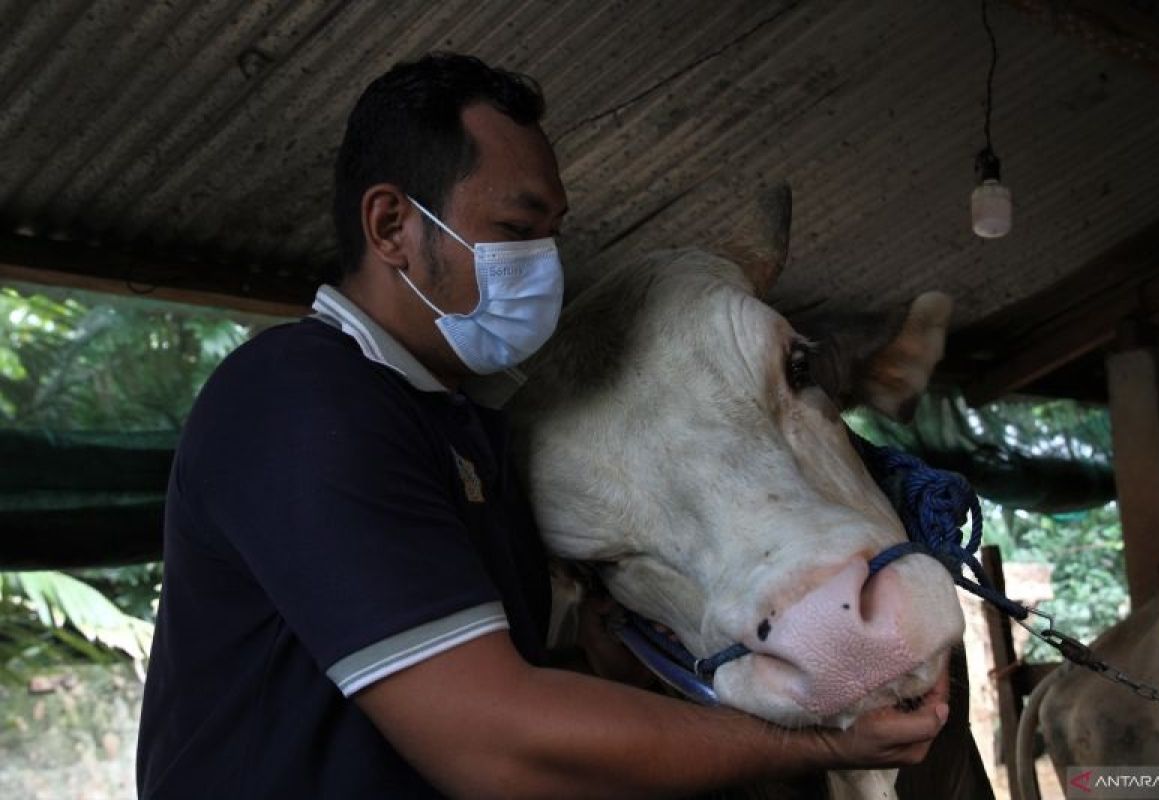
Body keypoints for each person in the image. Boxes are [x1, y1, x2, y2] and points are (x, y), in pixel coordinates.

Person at [136, 52, 951, 799]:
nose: (546, 266)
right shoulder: (302, 397)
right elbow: (492, 742)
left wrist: (609, 659)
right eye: (516, 232)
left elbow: (494, 676)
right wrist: (816, 748)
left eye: (552, 234)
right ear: (391, 227)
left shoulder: (467, 429)